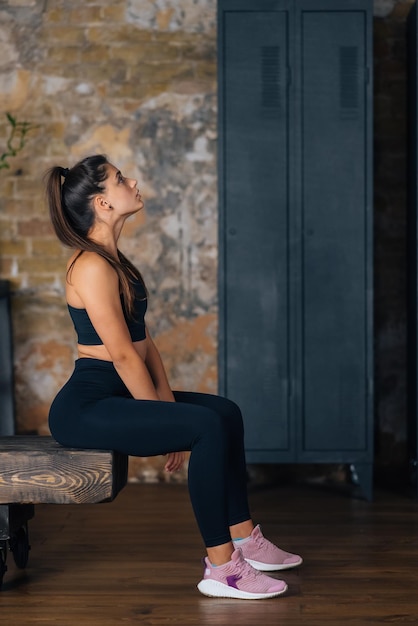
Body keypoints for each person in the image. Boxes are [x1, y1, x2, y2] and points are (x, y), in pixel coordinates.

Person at [45, 154, 302, 600]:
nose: (134, 181)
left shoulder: (117, 263)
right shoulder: (89, 265)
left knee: (224, 411)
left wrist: (165, 410)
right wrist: (165, 425)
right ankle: (223, 569)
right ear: (103, 203)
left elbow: (146, 347)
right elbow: (123, 356)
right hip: (84, 406)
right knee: (202, 427)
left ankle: (244, 538)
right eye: (121, 179)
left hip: (118, 392)